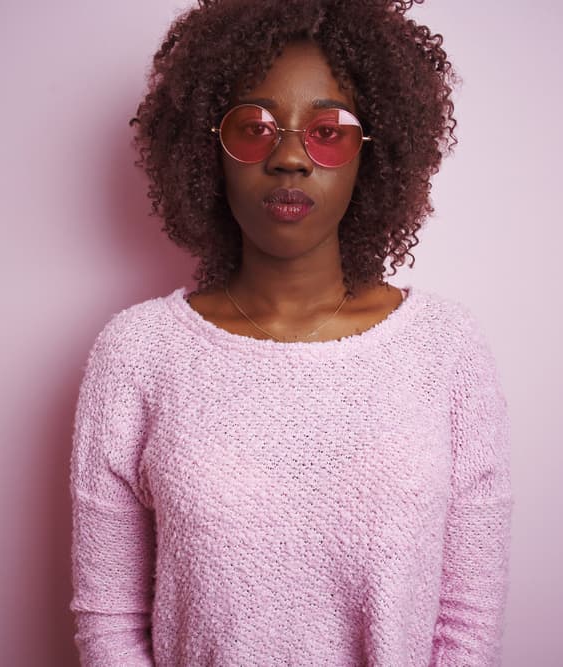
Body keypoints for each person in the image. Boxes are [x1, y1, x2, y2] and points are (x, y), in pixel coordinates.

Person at [69, 0, 514, 664]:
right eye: (255, 127)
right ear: (206, 150)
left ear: (374, 150)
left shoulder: (446, 349)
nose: (289, 158)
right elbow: (109, 622)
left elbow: (467, 622)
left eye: (328, 129)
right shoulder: (137, 353)